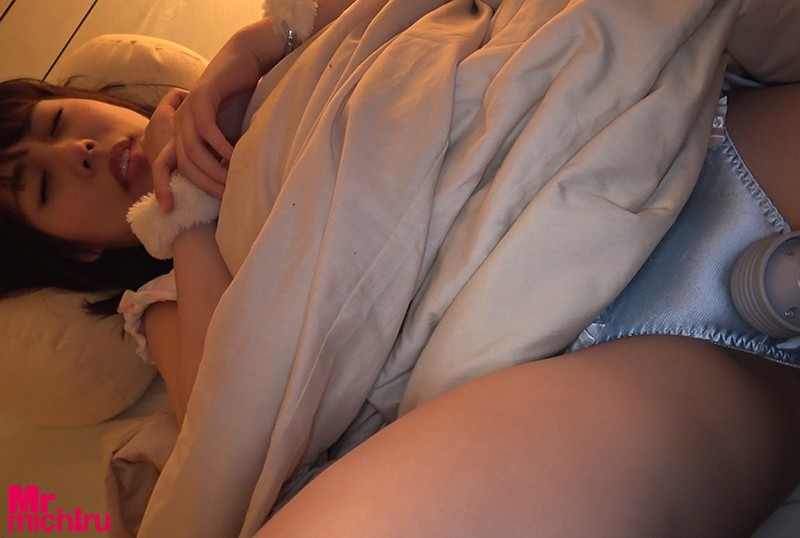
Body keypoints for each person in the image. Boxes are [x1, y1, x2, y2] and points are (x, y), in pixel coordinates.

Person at [0, 1, 799, 536]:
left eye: (60, 121)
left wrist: (251, 48)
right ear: (78, 250)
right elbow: (228, 400)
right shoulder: (163, 293)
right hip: (569, 350)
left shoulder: (263, 81)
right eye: (41, 185)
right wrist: (184, 214)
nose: (80, 152)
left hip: (660, 162)